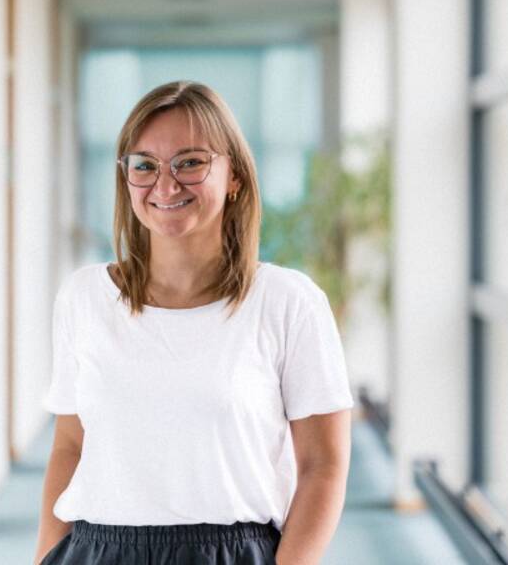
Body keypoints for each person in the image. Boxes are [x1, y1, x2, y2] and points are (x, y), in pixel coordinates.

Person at [33, 80, 354, 565]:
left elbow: (323, 467)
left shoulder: (289, 303)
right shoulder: (84, 297)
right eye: (144, 166)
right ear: (126, 179)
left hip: (232, 553)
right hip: (95, 552)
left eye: (190, 162)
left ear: (234, 177)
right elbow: (70, 446)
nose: (165, 185)